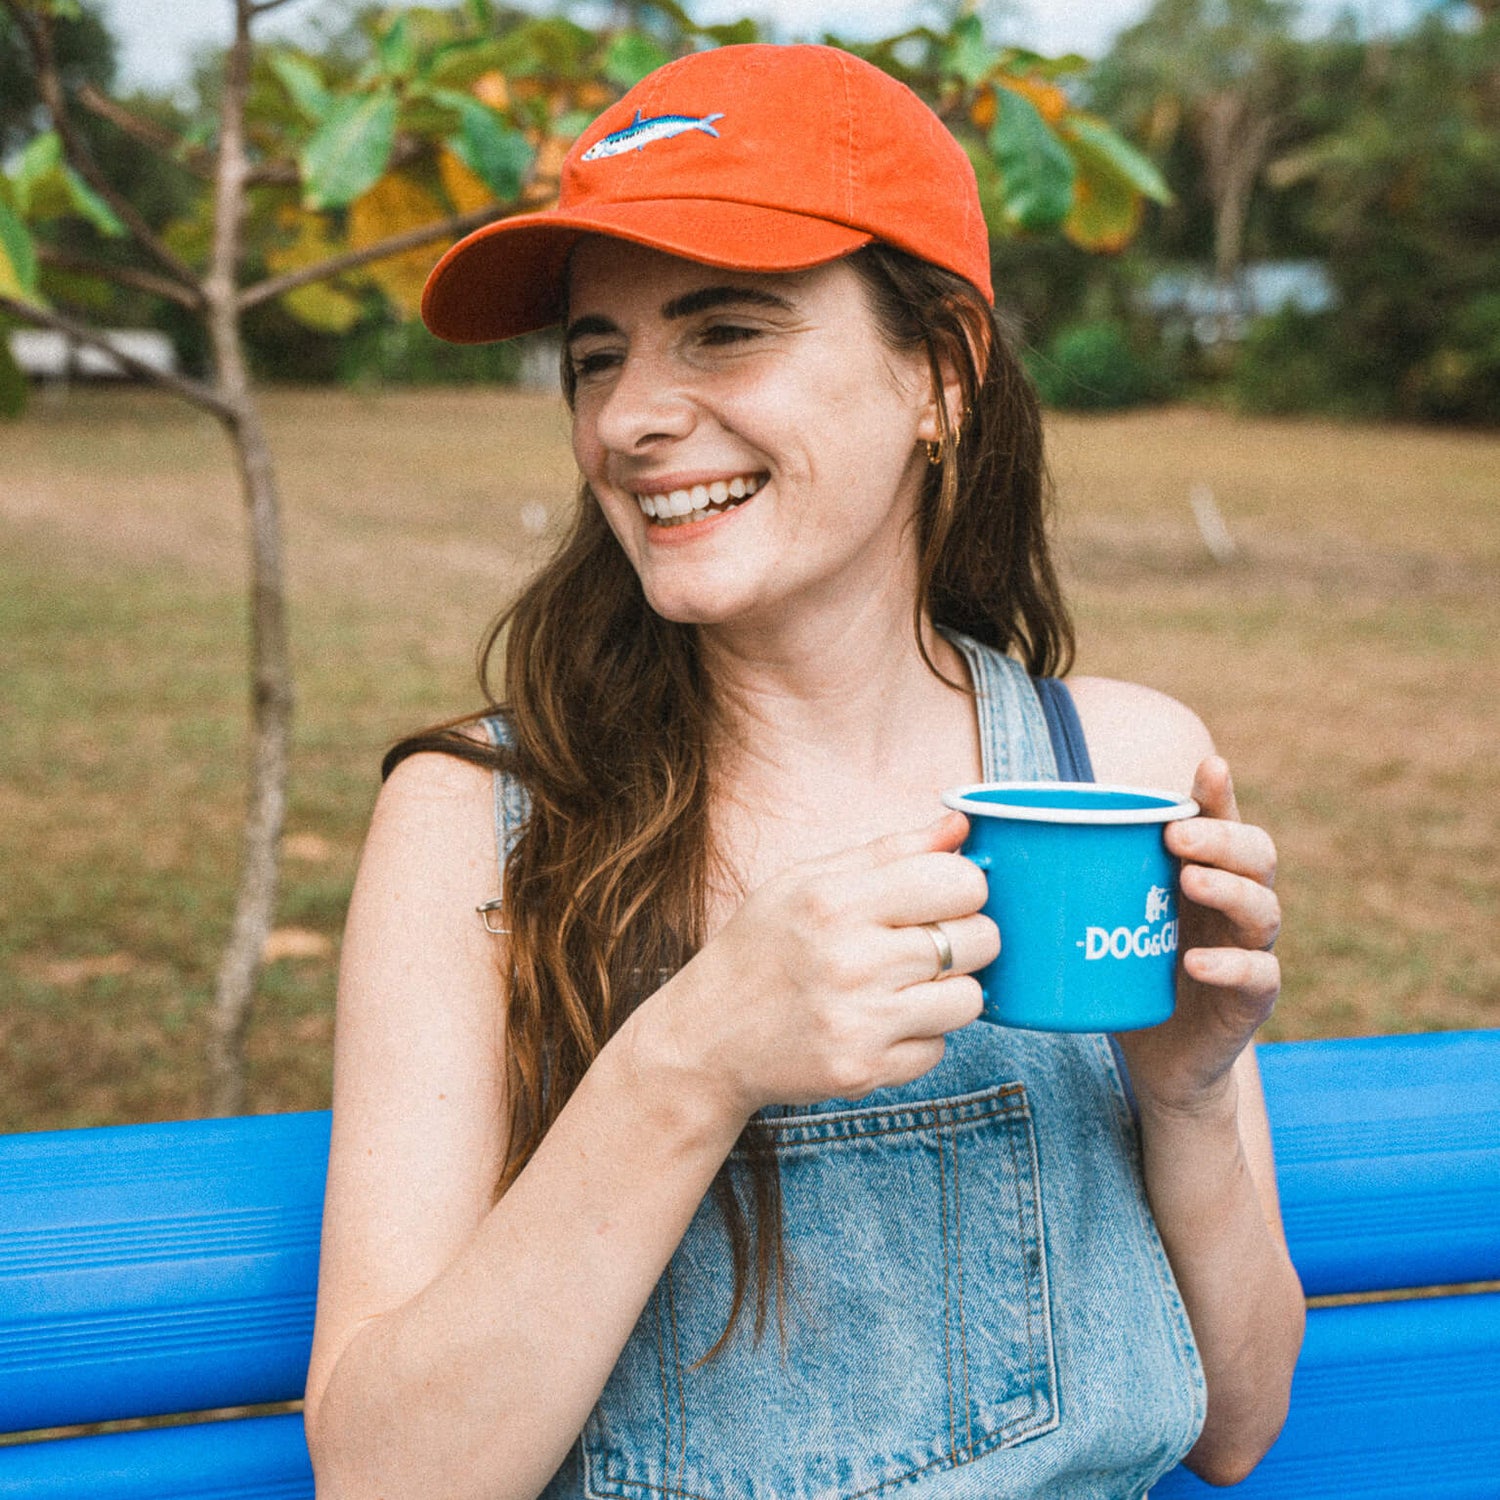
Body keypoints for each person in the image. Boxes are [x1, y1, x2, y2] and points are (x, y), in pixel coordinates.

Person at [302, 43, 1304, 1500]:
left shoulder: (1119, 769)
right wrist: (691, 1061)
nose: (628, 418)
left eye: (723, 331)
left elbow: (1239, 1423)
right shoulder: (475, 821)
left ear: (942, 375)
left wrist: (1190, 1100)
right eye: (596, 356)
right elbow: (384, 1479)